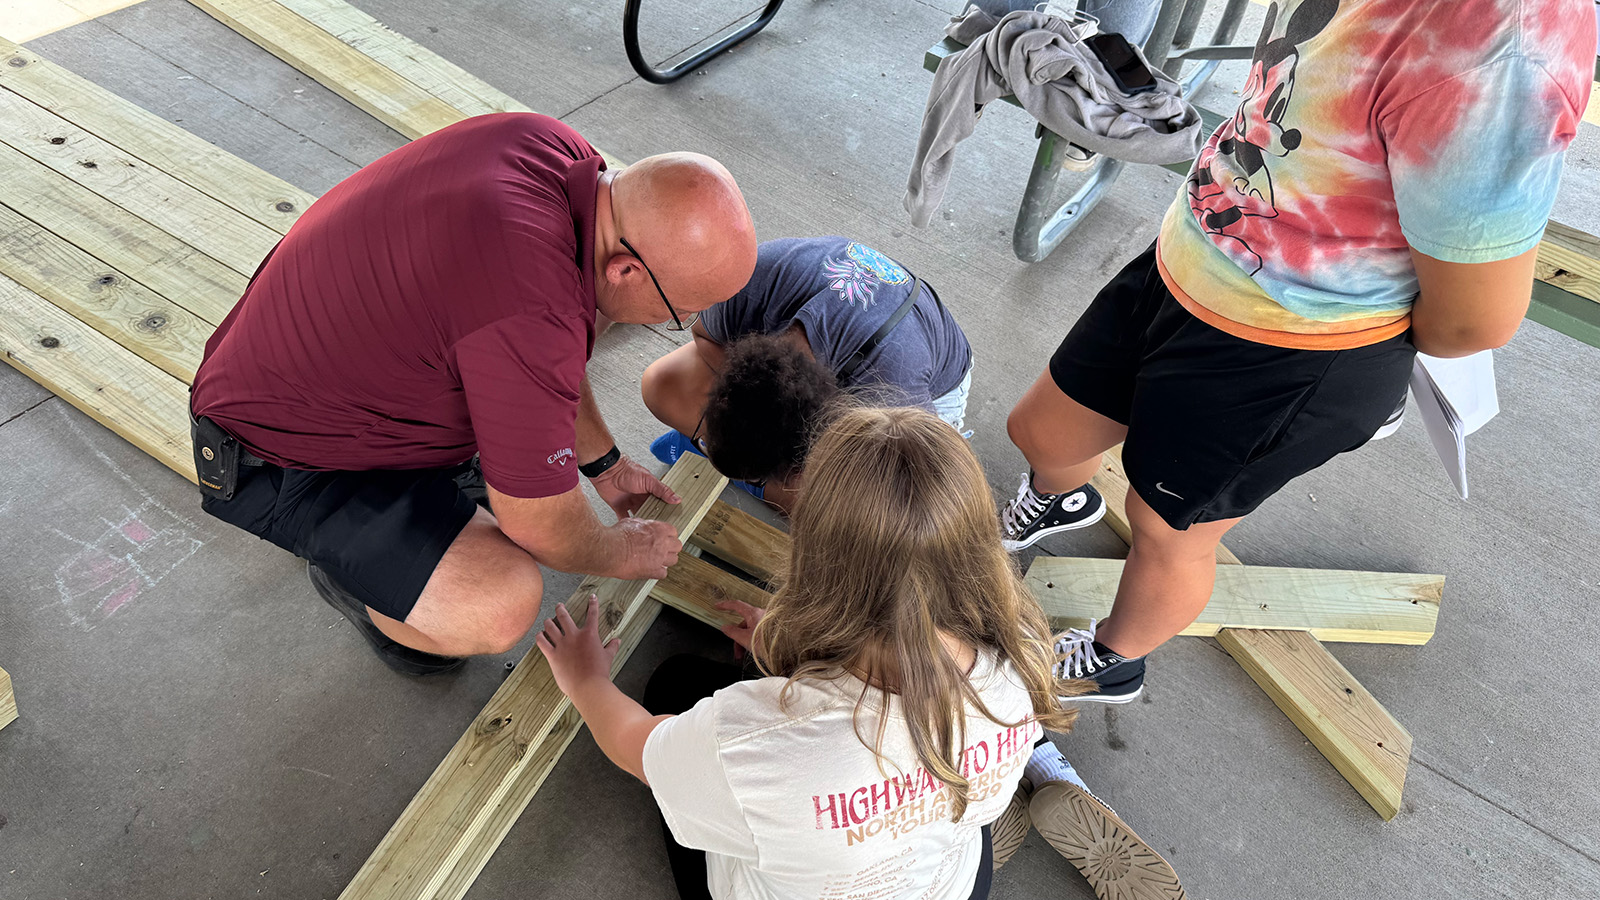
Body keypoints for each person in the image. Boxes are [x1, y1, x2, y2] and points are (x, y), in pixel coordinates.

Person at [1001, 0, 1595, 702]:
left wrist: (1365, 368)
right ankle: (1061, 501)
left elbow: (1474, 322)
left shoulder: (1501, 54)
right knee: (1041, 432)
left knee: (1166, 533)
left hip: (1289, 350)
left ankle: (1115, 656)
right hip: (1193, 255)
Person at [188, 112, 758, 675]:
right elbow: (543, 527)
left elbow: (549, 346)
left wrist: (605, 465)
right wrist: (623, 549)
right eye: (679, 310)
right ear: (626, 269)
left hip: (327, 373)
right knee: (499, 602)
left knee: (573, 330)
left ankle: (437, 489)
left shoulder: (551, 146)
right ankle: (358, 586)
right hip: (279, 453)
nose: (682, 322)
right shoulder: (530, 310)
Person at [536, 407, 1185, 900]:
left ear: (813, 560)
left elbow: (640, 750)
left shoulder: (748, 741)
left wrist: (586, 680)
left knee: (675, 684)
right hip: (955, 881)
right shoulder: (1021, 658)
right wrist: (791, 658)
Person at [640, 236, 973, 511]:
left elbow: (931, 492)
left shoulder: (893, 392)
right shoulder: (749, 286)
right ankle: (766, 482)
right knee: (660, 386)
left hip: (932, 382)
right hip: (855, 342)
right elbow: (703, 335)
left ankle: (764, 485)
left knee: (863, 513)